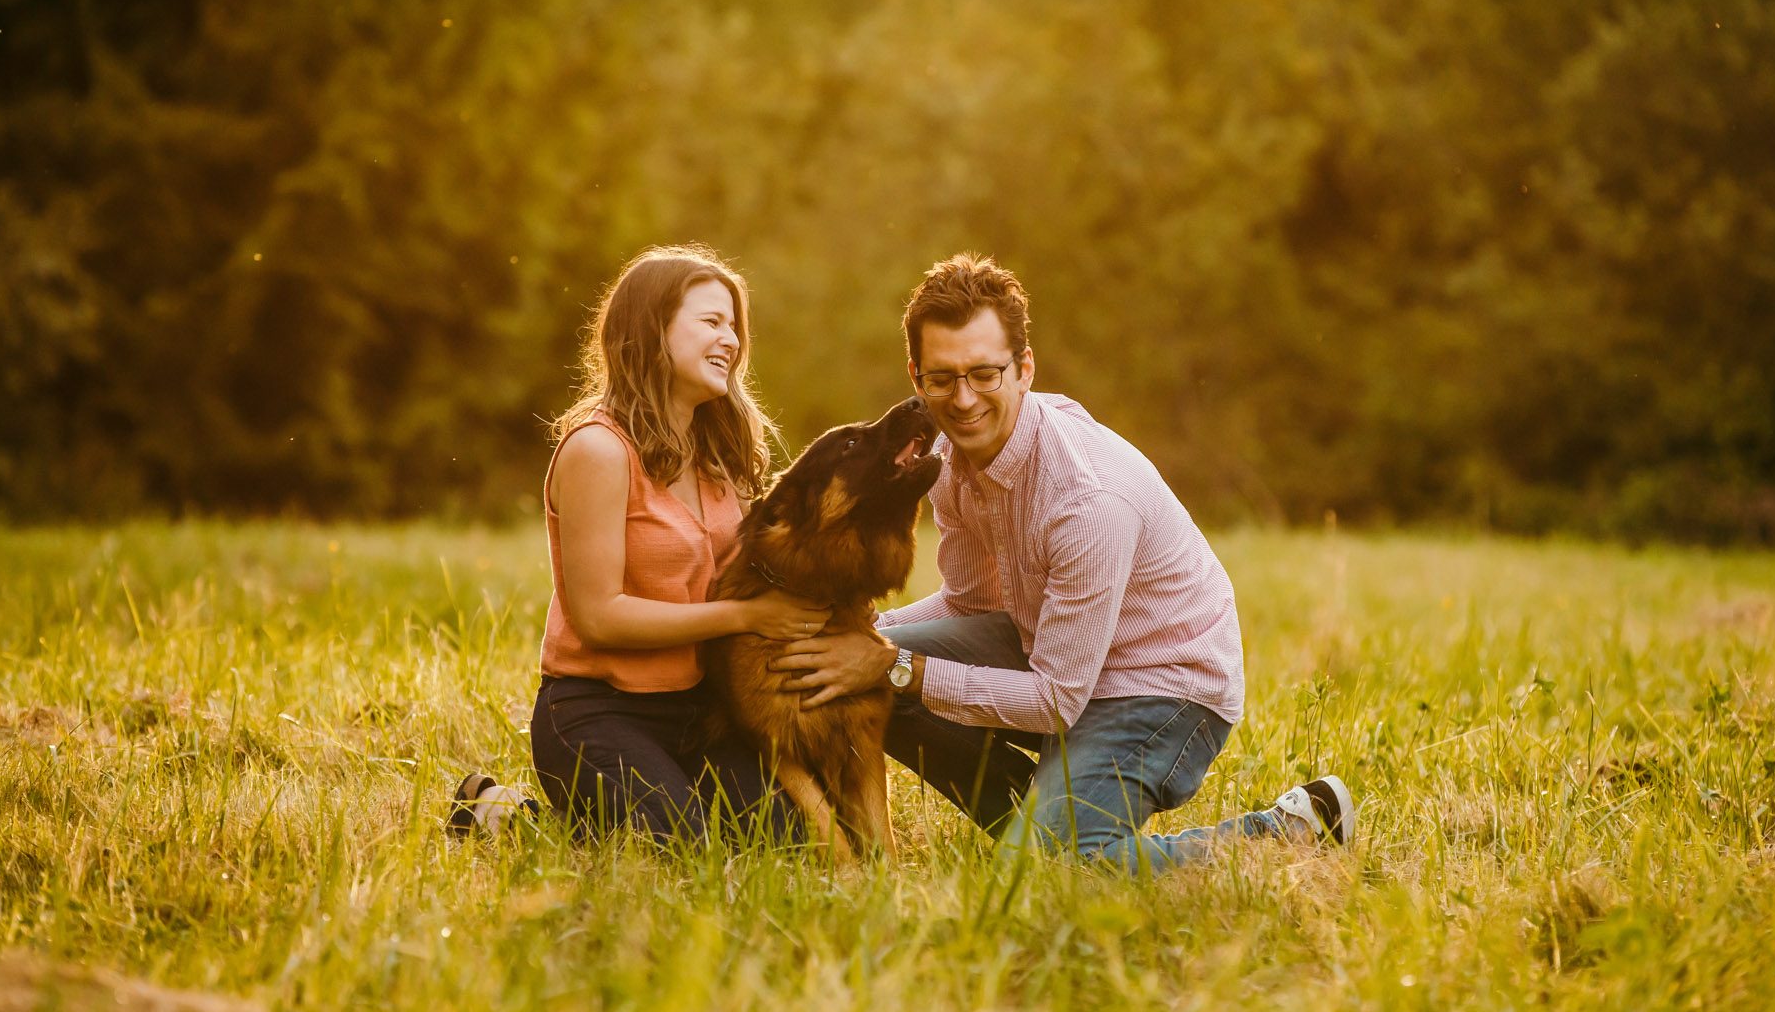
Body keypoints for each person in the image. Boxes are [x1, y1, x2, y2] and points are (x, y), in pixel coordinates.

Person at [771, 254, 1355, 873]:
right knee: (861, 673)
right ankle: (1047, 822)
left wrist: (891, 665)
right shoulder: (946, 458)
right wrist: (862, 640)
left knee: (1049, 875)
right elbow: (969, 603)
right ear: (916, 376)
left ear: (1024, 369)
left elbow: (1056, 701)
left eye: (983, 374)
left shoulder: (1087, 503)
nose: (963, 400)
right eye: (942, 379)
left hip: (1159, 687)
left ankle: (1280, 833)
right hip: (1050, 646)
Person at [498, 245, 828, 841]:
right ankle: (506, 817)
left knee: (787, 839)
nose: (731, 339)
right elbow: (600, 618)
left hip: (703, 712)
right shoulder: (598, 451)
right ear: (651, 330)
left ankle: (590, 815)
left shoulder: (721, 454)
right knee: (685, 845)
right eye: (711, 322)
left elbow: (765, 566)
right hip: (597, 709)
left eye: (734, 325)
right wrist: (744, 617)